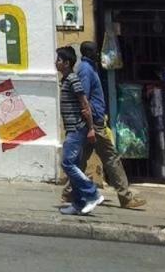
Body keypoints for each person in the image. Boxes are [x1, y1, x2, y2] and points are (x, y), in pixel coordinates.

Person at [60, 42, 145, 210]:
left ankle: (69, 193)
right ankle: (125, 197)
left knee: (80, 161)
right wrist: (91, 124)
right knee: (111, 158)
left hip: (92, 123)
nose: (97, 54)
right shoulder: (86, 70)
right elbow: (84, 99)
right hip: (94, 124)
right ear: (88, 52)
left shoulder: (89, 68)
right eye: (94, 51)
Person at [56, 46, 104, 216]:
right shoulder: (66, 80)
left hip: (77, 128)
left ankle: (92, 193)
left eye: (59, 60)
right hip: (72, 128)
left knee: (67, 163)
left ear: (67, 63)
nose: (56, 63)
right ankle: (78, 203)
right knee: (74, 165)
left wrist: (90, 128)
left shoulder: (73, 80)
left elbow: (85, 104)